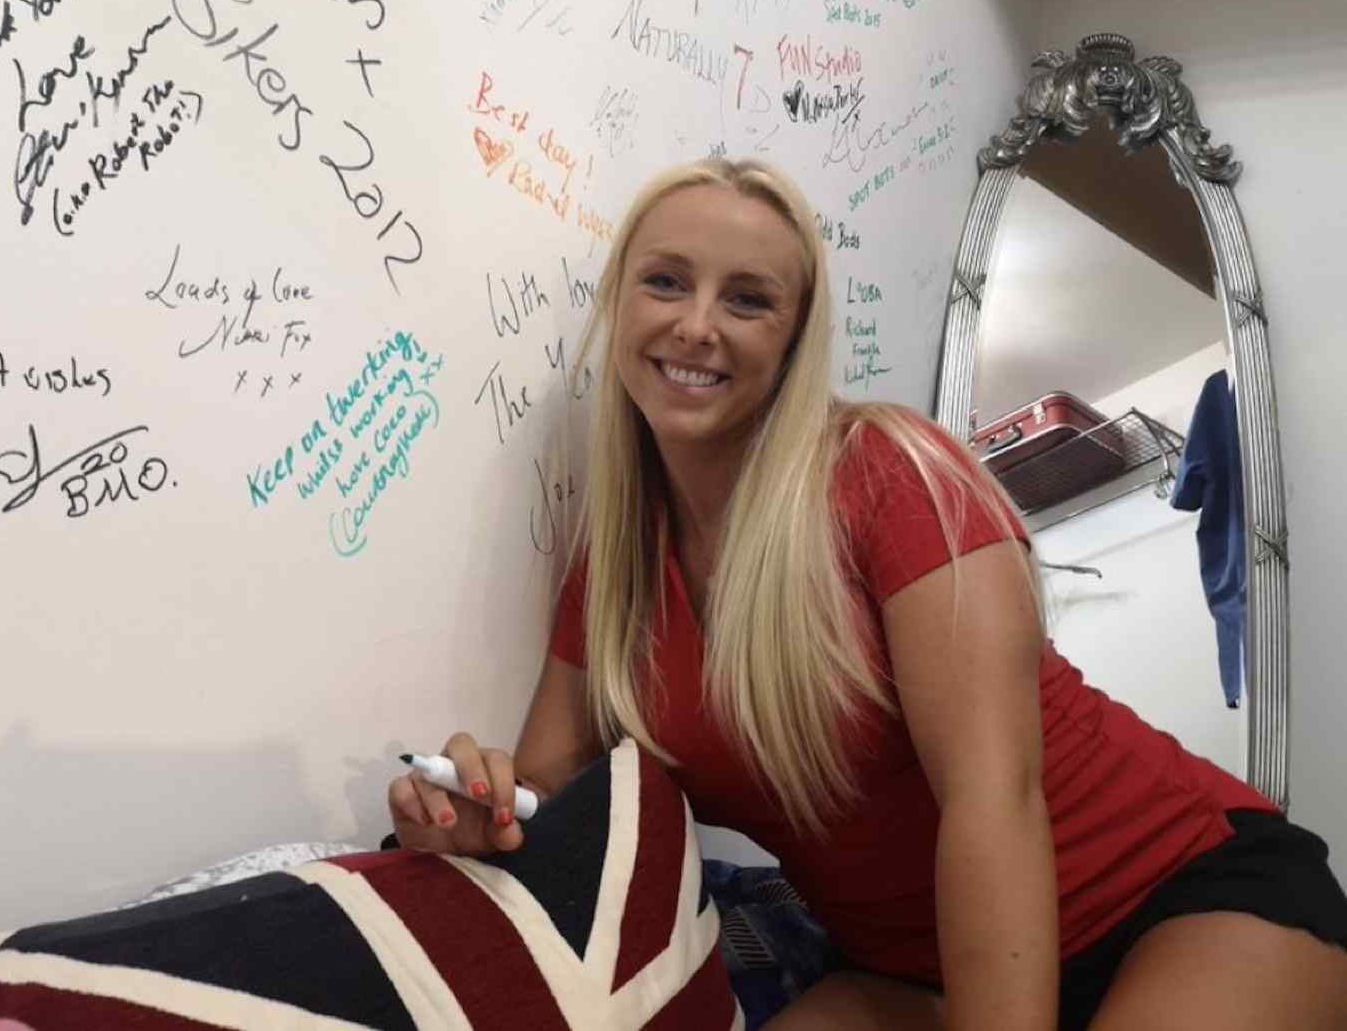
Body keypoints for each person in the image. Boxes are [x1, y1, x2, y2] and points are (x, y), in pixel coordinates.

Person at [387, 158, 1347, 1029]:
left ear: (793, 342)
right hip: (907, 970)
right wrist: (470, 813)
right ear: (620, 301)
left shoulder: (889, 472)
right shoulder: (615, 568)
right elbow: (545, 794)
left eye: (748, 299)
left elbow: (992, 797)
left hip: (1171, 897)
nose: (697, 324)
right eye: (666, 281)